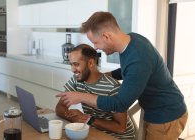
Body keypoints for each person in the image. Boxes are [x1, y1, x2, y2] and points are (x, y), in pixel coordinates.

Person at [57, 12, 188, 140]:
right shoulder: (131, 41)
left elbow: (120, 104)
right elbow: (129, 70)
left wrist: (81, 97)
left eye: (96, 42)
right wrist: (106, 75)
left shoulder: (138, 57)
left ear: (106, 37)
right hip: (154, 110)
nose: (95, 48)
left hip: (166, 115)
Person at [56, 44, 135, 140]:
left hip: (119, 137)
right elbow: (60, 107)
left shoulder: (112, 87)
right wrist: (77, 118)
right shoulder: (76, 79)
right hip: (94, 131)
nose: (72, 69)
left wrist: (87, 119)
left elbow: (120, 128)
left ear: (91, 63)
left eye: (76, 64)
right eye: (71, 64)